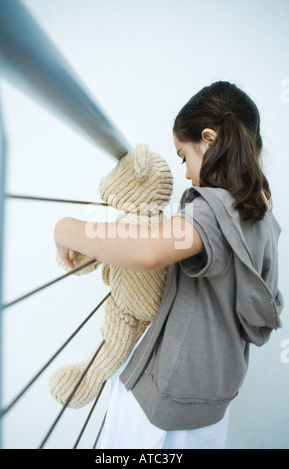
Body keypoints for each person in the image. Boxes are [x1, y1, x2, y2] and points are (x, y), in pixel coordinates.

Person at [54, 81, 284, 449]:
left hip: (165, 399)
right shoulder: (262, 218)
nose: (188, 174)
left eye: (183, 156)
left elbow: (148, 251)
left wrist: (66, 229)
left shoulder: (213, 208)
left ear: (208, 140)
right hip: (212, 398)